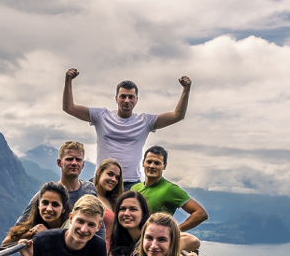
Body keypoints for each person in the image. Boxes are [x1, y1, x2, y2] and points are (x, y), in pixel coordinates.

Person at [63, 69, 192, 188]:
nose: (126, 100)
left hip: (130, 183)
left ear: (136, 100)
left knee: (129, 213)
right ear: (116, 99)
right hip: (102, 179)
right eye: (123, 96)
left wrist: (186, 90)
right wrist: (68, 81)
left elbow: (177, 115)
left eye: (131, 97)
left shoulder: (145, 121)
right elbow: (69, 108)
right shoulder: (101, 116)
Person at [13, 141, 105, 242]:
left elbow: (99, 224)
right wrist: (43, 234)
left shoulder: (89, 188)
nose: (74, 163)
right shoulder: (46, 196)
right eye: (69, 159)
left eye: (78, 160)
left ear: (83, 165)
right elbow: (18, 230)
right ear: (59, 163)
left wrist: (100, 250)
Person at [131, 146, 208, 233]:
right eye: (149, 162)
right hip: (132, 241)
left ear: (164, 166)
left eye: (157, 163)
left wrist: (173, 232)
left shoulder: (170, 189)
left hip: (153, 243)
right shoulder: (135, 188)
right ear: (143, 163)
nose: (152, 166)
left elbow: (200, 214)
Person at [2, 182, 70, 246]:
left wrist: (46, 235)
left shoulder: (70, 228)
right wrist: (31, 233)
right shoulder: (35, 221)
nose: (49, 209)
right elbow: (5, 243)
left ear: (64, 208)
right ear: (38, 205)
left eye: (55, 205)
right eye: (45, 203)